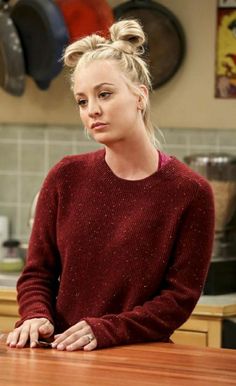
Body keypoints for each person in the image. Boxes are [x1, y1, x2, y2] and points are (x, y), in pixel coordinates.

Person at [7, 19, 215, 352]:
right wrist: (35, 315)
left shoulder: (191, 192)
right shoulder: (64, 177)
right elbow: (37, 273)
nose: (93, 110)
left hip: (138, 357)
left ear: (140, 97)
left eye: (104, 94)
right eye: (82, 101)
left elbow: (178, 299)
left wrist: (105, 329)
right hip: (61, 353)